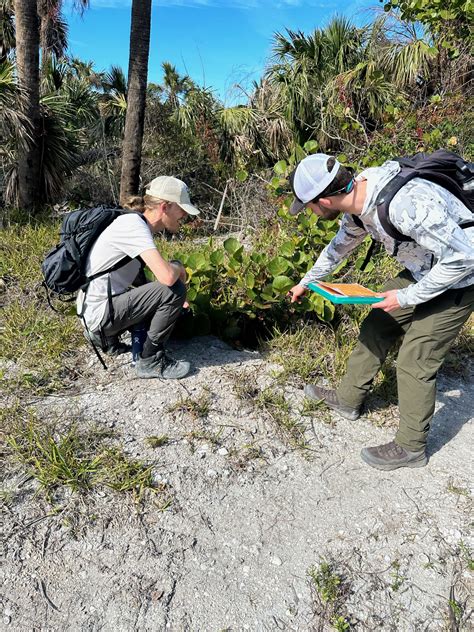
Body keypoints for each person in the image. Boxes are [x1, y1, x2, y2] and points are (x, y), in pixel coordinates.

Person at [287, 153, 474, 470]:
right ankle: (348, 399)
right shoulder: (358, 204)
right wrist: (308, 282)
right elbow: (338, 248)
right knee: (377, 324)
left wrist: (405, 297)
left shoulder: (404, 206)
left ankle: (411, 447)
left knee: (416, 358)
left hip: (461, 279)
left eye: (308, 207)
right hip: (422, 268)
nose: (309, 213)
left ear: (324, 201)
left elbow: (465, 257)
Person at [77, 176, 200, 380]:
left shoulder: (134, 224)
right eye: (182, 209)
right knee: (174, 287)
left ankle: (104, 336)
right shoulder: (134, 226)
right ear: (165, 207)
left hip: (93, 310)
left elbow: (141, 283)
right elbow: (168, 278)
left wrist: (170, 306)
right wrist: (178, 267)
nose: (185, 214)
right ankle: (150, 360)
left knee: (169, 295)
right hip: (99, 313)